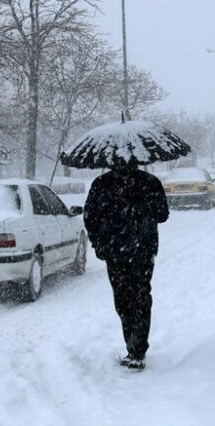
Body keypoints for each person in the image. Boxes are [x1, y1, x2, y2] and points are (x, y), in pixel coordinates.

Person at [83, 158, 169, 370]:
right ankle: (134, 345)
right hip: (118, 252)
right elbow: (90, 217)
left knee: (136, 298)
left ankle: (137, 349)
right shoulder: (102, 184)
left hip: (139, 251)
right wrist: (99, 243)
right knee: (127, 299)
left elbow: (162, 214)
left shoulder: (149, 182)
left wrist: (140, 205)